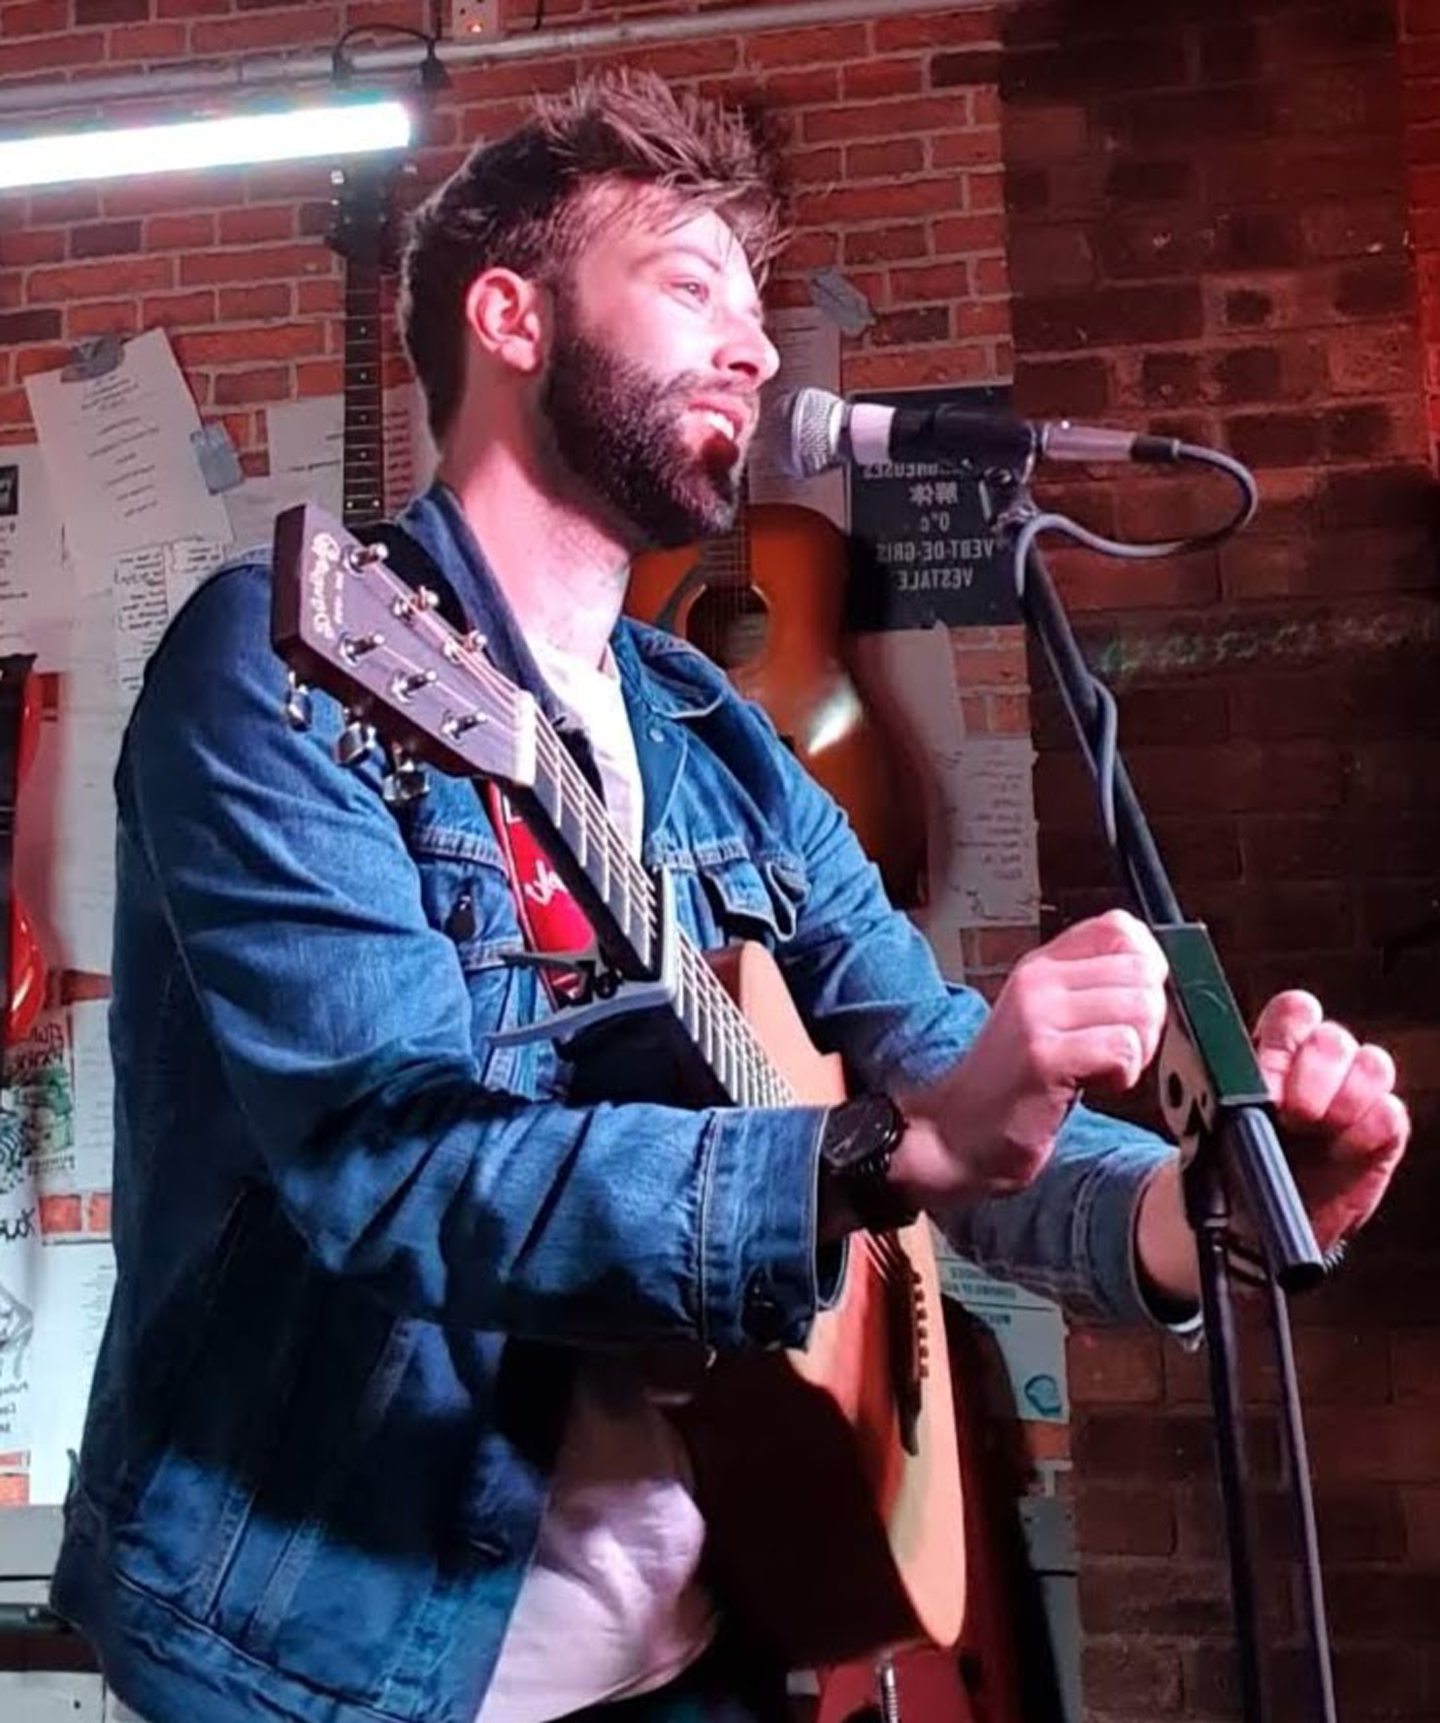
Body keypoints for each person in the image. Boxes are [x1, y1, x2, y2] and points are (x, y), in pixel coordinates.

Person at [52, 69, 1408, 1723]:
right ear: (513, 316)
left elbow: (944, 1077)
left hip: (704, 1642)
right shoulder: (297, 677)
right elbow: (392, 1170)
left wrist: (1198, 1214)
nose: (758, 347)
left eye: (760, 304)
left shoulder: (724, 746)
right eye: (691, 284)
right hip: (328, 1653)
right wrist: (880, 1149)